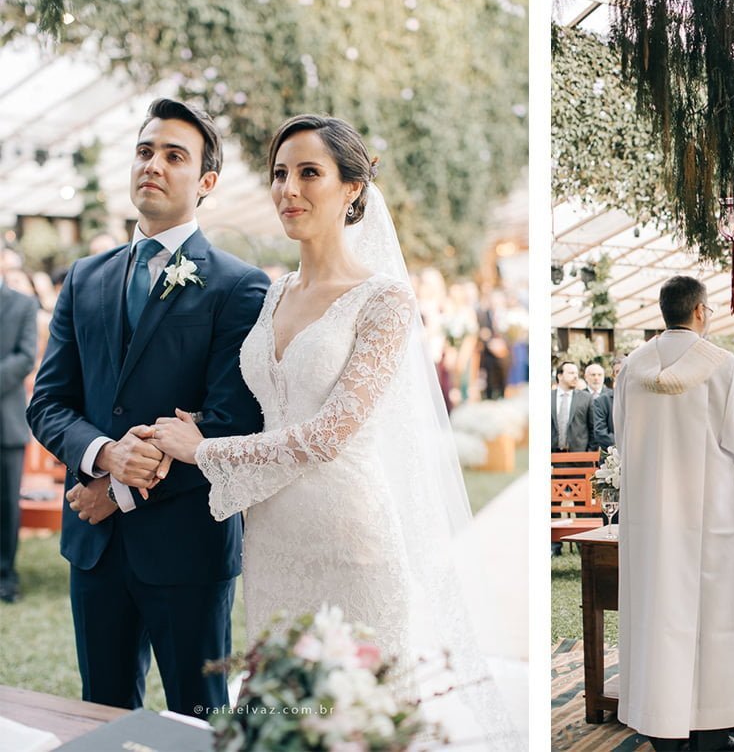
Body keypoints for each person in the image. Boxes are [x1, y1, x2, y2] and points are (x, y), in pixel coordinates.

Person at [150, 114, 517, 746]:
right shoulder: (273, 292)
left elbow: (327, 434)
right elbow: (278, 405)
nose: (289, 189)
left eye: (309, 173)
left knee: (356, 725)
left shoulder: (383, 300)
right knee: (281, 720)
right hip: (271, 543)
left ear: (353, 190)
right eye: (280, 174)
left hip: (351, 544)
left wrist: (202, 450)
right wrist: (200, 424)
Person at [26, 99, 269, 715]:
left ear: (206, 181)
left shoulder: (240, 285)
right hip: (95, 546)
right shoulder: (84, 277)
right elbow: (50, 402)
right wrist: (104, 454)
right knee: (100, 713)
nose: (153, 165)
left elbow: (230, 421)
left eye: (173, 156)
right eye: (144, 150)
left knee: (199, 715)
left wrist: (121, 491)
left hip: (187, 546)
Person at [615, 276, 734, 751]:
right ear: (700, 311)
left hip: (647, 520)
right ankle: (708, 727)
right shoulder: (721, 366)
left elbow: (622, 437)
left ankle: (657, 722)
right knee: (709, 618)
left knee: (653, 611)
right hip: (702, 515)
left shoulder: (632, 366)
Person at [1, 258, 39, 603]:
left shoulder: (22, 304)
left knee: (5, 503)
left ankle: (5, 576)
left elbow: (26, 357)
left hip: (5, 423)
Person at [551, 361, 594, 452]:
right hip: (552, 457)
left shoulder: (586, 398)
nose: (575, 376)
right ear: (560, 376)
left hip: (579, 457)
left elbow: (593, 428)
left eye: (576, 373)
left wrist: (589, 452)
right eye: (571, 373)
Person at [592, 356, 623, 452]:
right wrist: (623, 445)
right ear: (613, 376)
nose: (622, 374)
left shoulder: (639, 400)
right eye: (618, 371)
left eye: (625, 370)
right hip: (612, 455)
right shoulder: (601, 401)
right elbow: (600, 432)